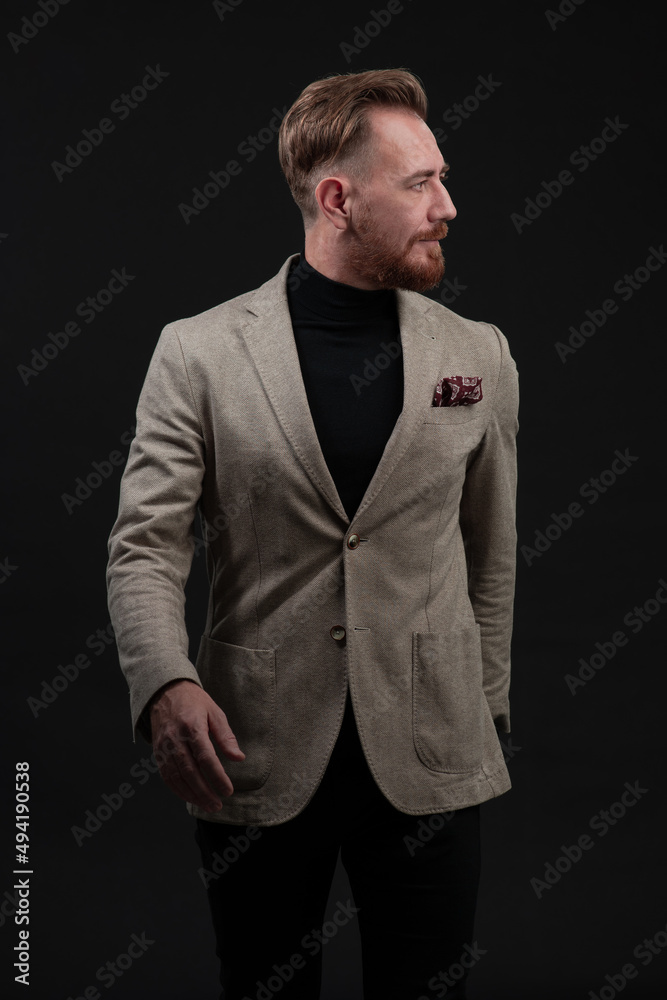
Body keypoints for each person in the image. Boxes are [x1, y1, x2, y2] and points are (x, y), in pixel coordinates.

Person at [106, 67, 519, 1000]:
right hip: (253, 745)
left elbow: (491, 548)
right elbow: (145, 545)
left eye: (441, 177)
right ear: (337, 198)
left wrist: (482, 710)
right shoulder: (198, 352)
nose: (446, 204)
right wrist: (165, 682)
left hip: (432, 749)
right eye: (419, 183)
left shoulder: (477, 353)